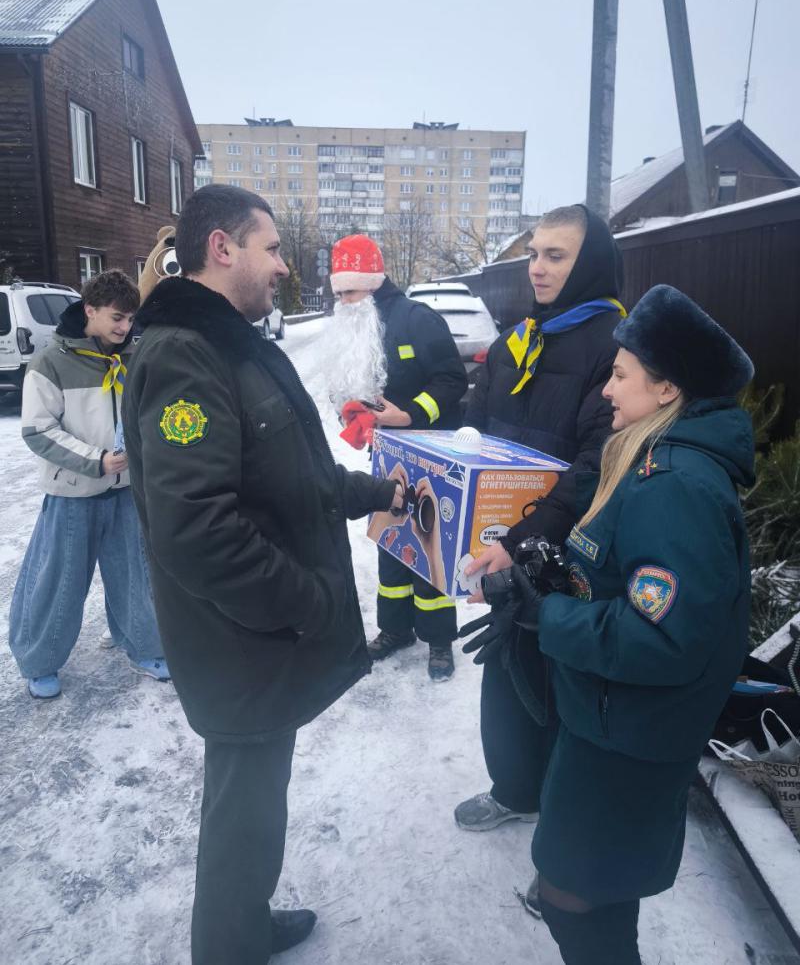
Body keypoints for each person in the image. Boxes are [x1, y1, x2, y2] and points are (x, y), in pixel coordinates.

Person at [121, 186, 401, 965]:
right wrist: (309, 602)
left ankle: (242, 925)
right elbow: (196, 529)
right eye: (271, 248)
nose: (283, 266)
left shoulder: (227, 343)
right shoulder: (186, 354)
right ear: (222, 247)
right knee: (243, 814)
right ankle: (230, 945)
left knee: (251, 805)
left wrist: (375, 493)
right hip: (240, 642)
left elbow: (287, 474)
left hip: (255, 640)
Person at [463, 284, 755, 964]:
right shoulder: (652, 459)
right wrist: (547, 579)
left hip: (629, 739)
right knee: (591, 888)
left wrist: (549, 616)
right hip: (607, 719)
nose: (606, 390)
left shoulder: (676, 485)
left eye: (621, 375)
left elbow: (665, 638)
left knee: (578, 904)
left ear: (667, 388)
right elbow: (625, 578)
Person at [454, 204, 625, 829]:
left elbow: (601, 461)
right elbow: (476, 424)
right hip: (506, 542)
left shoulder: (616, 346)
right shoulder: (518, 339)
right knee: (506, 670)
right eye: (533, 254)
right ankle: (516, 789)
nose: (537, 268)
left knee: (559, 686)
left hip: (571, 552)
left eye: (556, 256)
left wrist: (527, 537)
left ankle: (563, 825)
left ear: (591, 263)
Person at [8, 270, 169, 699]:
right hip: (73, 494)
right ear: (90, 310)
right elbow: (38, 430)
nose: (125, 327)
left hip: (127, 491)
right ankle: (40, 661)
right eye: (117, 317)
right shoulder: (51, 362)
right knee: (58, 582)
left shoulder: (134, 357)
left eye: (130, 319)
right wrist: (96, 461)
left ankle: (144, 647)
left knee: (136, 576)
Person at [321, 233, 467, 681]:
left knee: (429, 544)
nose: (343, 302)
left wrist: (410, 414)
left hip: (430, 454)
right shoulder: (359, 322)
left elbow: (452, 380)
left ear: (370, 284)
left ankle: (438, 638)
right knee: (390, 540)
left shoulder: (416, 319)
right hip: (387, 454)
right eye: (339, 293)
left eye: (349, 292)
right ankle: (396, 629)